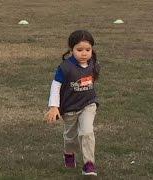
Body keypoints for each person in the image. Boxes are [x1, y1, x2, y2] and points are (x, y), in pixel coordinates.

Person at [45, 30, 100, 176]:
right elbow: (55, 86)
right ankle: (69, 153)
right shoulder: (65, 67)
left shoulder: (93, 63)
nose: (84, 53)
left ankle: (89, 164)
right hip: (70, 108)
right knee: (71, 137)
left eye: (87, 50)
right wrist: (54, 107)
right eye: (79, 50)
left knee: (87, 132)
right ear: (71, 50)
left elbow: (93, 78)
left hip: (89, 104)